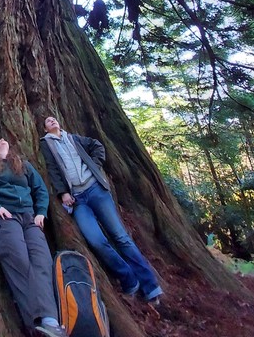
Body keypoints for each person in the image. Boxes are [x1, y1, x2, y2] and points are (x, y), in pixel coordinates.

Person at [0, 138, 81, 337]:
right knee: (19, 261)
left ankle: (52, 324)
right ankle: (37, 324)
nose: (2, 139)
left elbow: (40, 189)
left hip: (30, 218)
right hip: (5, 218)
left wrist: (41, 212)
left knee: (42, 262)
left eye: (5, 139)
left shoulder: (23, 165)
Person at [40, 116, 163, 304]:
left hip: (96, 190)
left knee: (121, 237)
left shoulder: (73, 138)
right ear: (45, 129)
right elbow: (52, 170)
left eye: (54, 119)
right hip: (78, 200)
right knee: (96, 241)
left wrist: (94, 165)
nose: (52, 121)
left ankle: (151, 287)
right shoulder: (47, 145)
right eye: (48, 122)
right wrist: (63, 192)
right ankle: (129, 280)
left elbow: (97, 145)